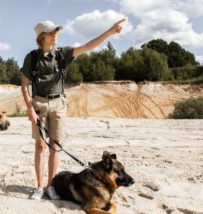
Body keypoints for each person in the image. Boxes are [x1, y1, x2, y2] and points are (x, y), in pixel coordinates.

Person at [20, 19, 125, 200]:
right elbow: (24, 85)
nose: (56, 35)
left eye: (56, 32)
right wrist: (30, 109)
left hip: (59, 104)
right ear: (41, 37)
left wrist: (109, 32)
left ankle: (50, 186)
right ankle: (39, 187)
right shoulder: (32, 57)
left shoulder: (63, 54)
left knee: (56, 146)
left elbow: (87, 47)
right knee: (40, 146)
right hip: (38, 104)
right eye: (52, 32)